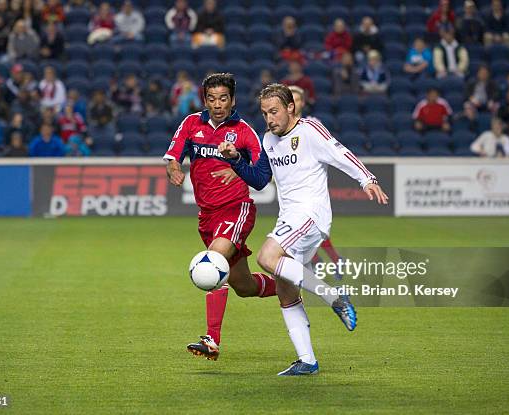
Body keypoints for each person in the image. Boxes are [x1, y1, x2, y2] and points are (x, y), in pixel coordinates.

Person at [218, 84, 388, 375]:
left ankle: (333, 296)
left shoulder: (310, 130)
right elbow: (259, 179)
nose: (269, 119)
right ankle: (307, 360)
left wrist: (367, 179)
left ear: (290, 108)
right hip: (291, 219)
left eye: (274, 112)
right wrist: (236, 160)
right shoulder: (269, 140)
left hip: (310, 215)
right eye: (264, 113)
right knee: (286, 289)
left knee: (267, 257)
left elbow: (341, 153)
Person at [164, 73, 278, 361]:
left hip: (236, 208)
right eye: (212, 99)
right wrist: (174, 169)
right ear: (205, 100)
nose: (218, 104)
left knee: (214, 261)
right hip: (207, 216)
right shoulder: (191, 124)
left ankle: (211, 340)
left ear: (233, 100)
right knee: (244, 286)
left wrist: (237, 166)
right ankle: (291, 285)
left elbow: (262, 169)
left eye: (223, 98)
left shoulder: (243, 131)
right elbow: (173, 155)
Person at [289, 85, 348, 273]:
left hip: (310, 181)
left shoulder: (313, 123)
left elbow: (326, 148)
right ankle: (321, 262)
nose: (293, 103)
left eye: (297, 99)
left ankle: (327, 262)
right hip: (291, 184)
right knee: (299, 229)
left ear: (303, 103)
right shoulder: (277, 125)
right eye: (290, 99)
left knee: (313, 225)